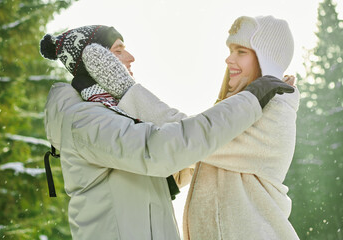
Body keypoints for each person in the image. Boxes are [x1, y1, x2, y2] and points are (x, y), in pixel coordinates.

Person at [40, 24, 295, 240]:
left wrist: (188, 169)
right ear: (94, 62)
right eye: (118, 50)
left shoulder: (112, 114)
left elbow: (159, 160)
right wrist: (248, 100)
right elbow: (160, 150)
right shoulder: (85, 119)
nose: (130, 57)